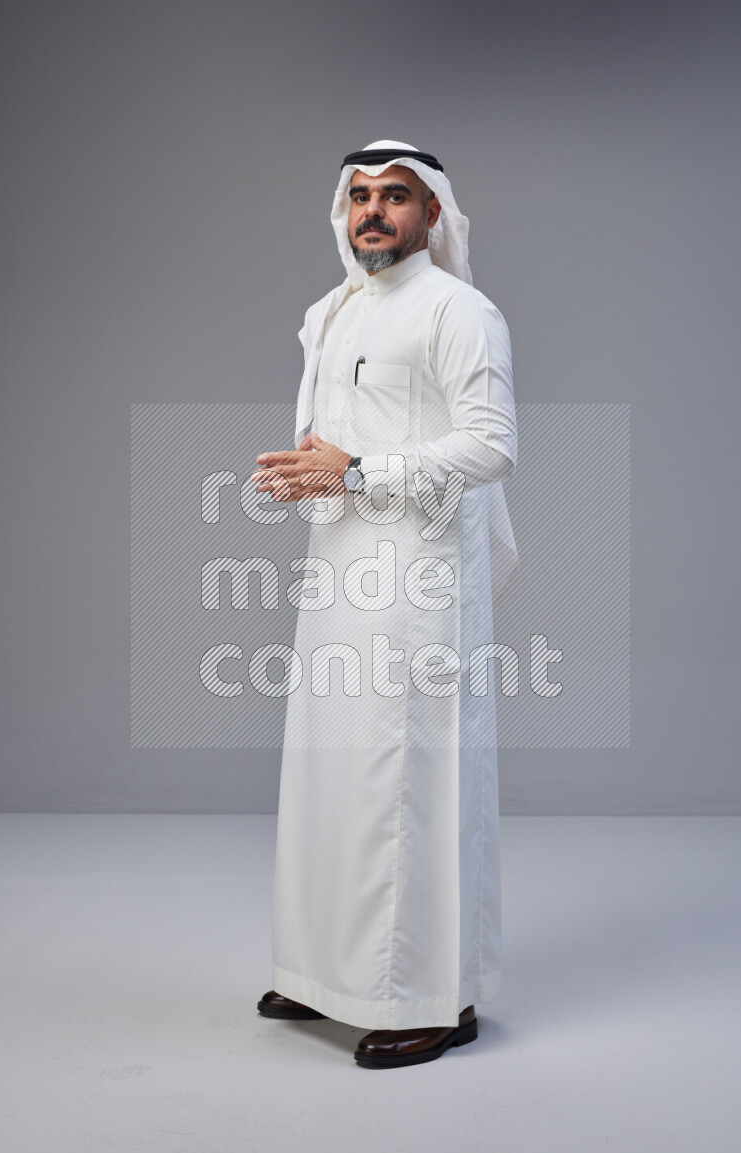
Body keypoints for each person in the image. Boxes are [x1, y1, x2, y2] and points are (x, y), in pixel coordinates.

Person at [251, 140, 519, 1068]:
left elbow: (490, 447)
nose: (374, 211)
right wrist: (313, 475)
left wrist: (361, 470)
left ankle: (432, 997)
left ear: (432, 213)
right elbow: (329, 441)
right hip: (339, 570)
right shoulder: (333, 312)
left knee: (408, 782)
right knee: (330, 775)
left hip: (421, 581)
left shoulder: (461, 311)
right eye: (360, 196)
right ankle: (330, 974)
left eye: (395, 196)